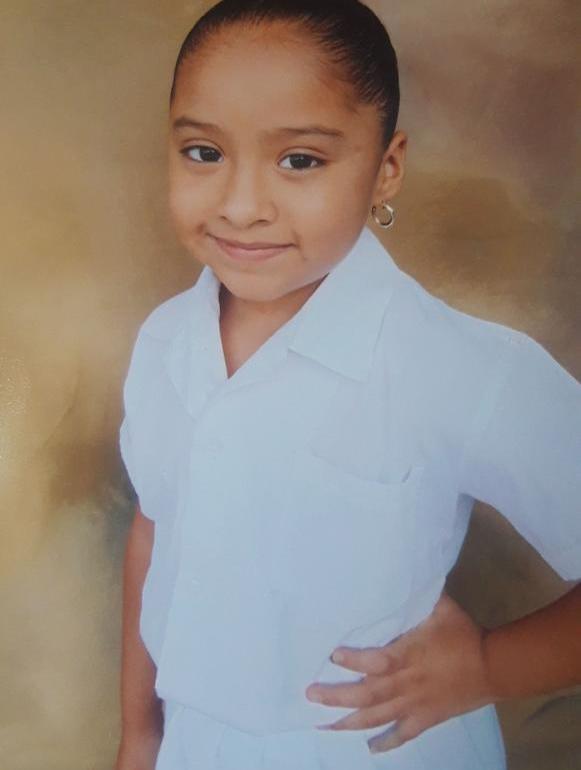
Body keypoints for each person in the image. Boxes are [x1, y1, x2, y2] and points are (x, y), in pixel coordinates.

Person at [114, 1, 581, 768]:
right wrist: (141, 737)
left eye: (299, 161)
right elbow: (155, 527)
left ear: (384, 168)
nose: (240, 206)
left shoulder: (456, 367)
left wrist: (486, 666)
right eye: (203, 152)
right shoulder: (164, 340)